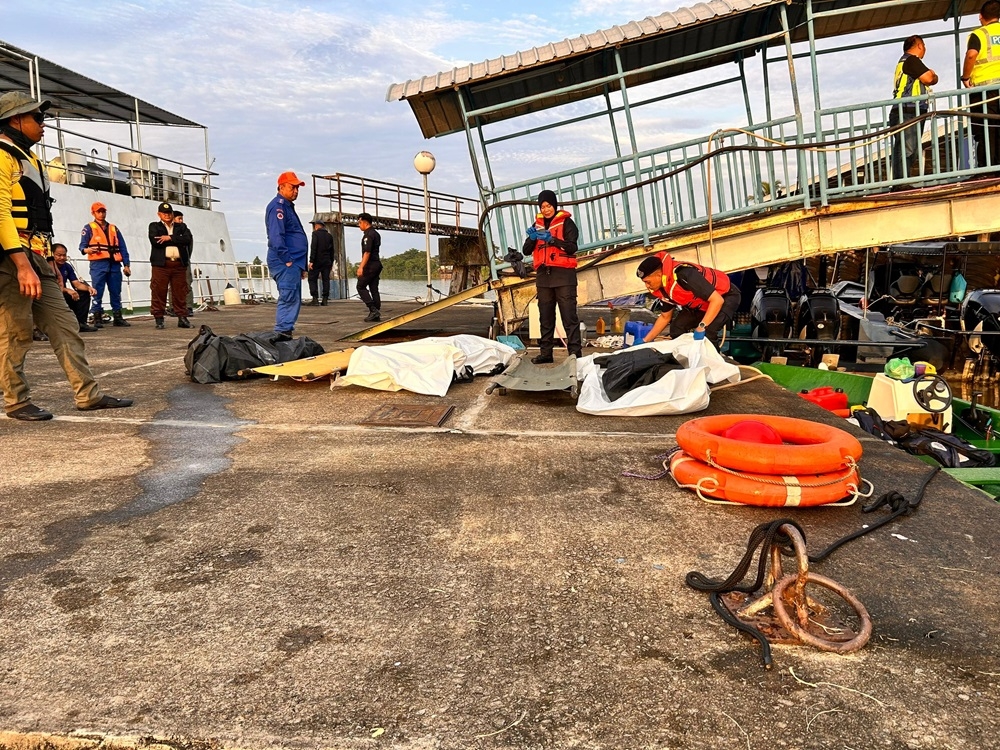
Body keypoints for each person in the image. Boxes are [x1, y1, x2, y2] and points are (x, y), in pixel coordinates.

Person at [0, 90, 132, 420]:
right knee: (16, 332)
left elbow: (38, 218)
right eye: (38, 118)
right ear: (16, 120)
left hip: (37, 258)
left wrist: (47, 264)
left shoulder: (28, 159)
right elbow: (0, 213)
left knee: (66, 326)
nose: (44, 125)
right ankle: (16, 401)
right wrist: (21, 264)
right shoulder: (2, 156)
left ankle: (87, 394)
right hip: (11, 259)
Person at [520, 189, 581, 364]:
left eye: (549, 205)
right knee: (545, 318)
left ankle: (575, 354)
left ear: (554, 205)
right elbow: (525, 251)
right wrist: (531, 238)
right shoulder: (537, 225)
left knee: (569, 317)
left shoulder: (567, 223)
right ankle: (546, 353)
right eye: (543, 206)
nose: (546, 209)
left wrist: (552, 240)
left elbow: (572, 247)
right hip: (544, 277)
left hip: (564, 277)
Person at [635, 252, 741, 345]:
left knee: (708, 332)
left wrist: (702, 326)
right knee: (677, 328)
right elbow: (665, 317)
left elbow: (717, 300)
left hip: (725, 297)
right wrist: (645, 340)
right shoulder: (663, 288)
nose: (647, 286)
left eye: (648, 282)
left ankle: (714, 365)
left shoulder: (684, 275)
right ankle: (686, 359)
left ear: (659, 275)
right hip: (702, 304)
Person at [265, 171, 308, 334]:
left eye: (297, 188)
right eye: (292, 187)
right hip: (285, 261)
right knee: (288, 298)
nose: (296, 191)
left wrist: (301, 266)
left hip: (294, 262)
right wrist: (288, 260)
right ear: (281, 187)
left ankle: (285, 332)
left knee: (293, 299)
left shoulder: (287, 207)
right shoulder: (278, 207)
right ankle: (282, 334)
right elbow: (276, 236)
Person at [890, 35, 938, 181]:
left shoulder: (905, 62)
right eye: (924, 46)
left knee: (911, 150)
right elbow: (929, 79)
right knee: (906, 150)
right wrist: (934, 74)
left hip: (910, 110)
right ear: (919, 46)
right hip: (907, 110)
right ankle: (901, 182)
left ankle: (903, 181)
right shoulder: (911, 60)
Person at [79, 201, 131, 327]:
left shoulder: (114, 228)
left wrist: (126, 265)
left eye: (103, 211)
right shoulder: (88, 228)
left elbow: (122, 247)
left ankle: (117, 316)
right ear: (93, 213)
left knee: (115, 291)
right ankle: (97, 317)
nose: (101, 214)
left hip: (114, 264)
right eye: (99, 211)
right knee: (97, 290)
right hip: (98, 264)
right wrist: (87, 250)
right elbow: (82, 246)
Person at [962, 1, 1000, 173]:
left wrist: (965, 77)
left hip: (985, 90)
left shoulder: (979, 34)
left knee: (986, 130)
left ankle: (987, 170)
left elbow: (971, 55)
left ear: (980, 16)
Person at [148, 202, 192, 329]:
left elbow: (187, 239)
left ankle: (182, 317)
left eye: (169, 213)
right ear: (159, 214)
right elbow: (155, 241)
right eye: (164, 213)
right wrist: (177, 239)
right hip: (161, 264)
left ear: (172, 214)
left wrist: (169, 238)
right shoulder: (154, 226)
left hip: (178, 264)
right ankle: (159, 318)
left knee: (180, 291)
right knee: (158, 291)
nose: (167, 215)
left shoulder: (181, 227)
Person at [53, 243, 98, 332]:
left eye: (64, 255)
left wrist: (89, 288)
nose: (62, 258)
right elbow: (51, 286)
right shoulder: (48, 266)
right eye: (59, 255)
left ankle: (81, 323)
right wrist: (67, 290)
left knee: (84, 294)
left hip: (63, 293)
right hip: (53, 294)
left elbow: (76, 284)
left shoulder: (67, 266)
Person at [356, 212, 382, 322]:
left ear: (365, 222)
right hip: (377, 264)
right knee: (373, 288)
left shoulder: (368, 235)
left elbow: (367, 252)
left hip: (370, 265)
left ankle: (373, 309)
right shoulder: (376, 233)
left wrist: (361, 267)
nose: (359, 225)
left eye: (359, 222)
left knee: (360, 287)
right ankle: (376, 312)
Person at [174, 210, 196, 315]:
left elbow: (189, 245)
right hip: (172, 261)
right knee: (172, 285)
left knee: (187, 284)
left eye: (182, 218)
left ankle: (188, 307)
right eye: (179, 218)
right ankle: (173, 308)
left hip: (184, 261)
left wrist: (186, 257)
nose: (181, 221)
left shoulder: (186, 231)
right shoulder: (169, 230)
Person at [308, 219, 334, 306]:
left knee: (312, 278)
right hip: (327, 261)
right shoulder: (329, 236)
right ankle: (325, 299)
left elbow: (313, 247)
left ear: (316, 226)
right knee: (326, 280)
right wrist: (331, 262)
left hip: (317, 261)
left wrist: (311, 260)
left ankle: (315, 298)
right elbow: (332, 251)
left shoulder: (315, 234)